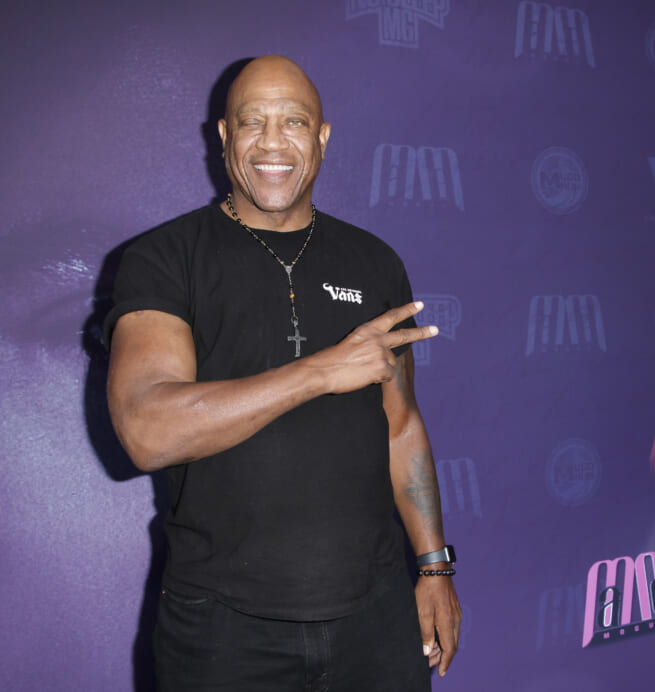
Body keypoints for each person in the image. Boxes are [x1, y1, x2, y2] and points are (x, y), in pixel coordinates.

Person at [104, 55, 461, 691]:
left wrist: (434, 567)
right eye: (253, 122)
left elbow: (401, 425)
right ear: (224, 137)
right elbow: (146, 430)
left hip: (376, 621)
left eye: (294, 122)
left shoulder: (374, 261)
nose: (273, 142)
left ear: (322, 138)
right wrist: (321, 371)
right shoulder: (164, 258)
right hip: (223, 631)